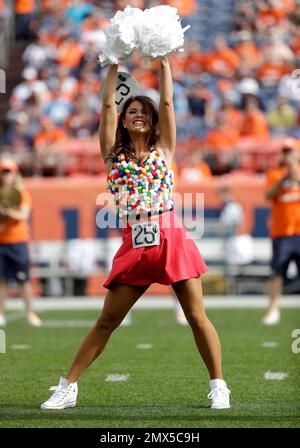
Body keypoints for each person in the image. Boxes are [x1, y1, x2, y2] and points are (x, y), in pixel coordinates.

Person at [41, 57, 231, 410]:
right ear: (124, 120)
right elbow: (106, 105)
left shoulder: (165, 149)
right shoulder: (112, 155)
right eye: (132, 111)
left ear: (153, 119)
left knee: (196, 315)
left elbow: (169, 102)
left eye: (144, 110)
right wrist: (112, 64)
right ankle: (68, 387)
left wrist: (164, 61)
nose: (138, 114)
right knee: (108, 319)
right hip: (136, 240)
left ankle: (219, 385)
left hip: (170, 234)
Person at [0, 157, 42, 327]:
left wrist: (6, 211)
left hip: (18, 241)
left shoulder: (21, 193)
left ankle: (30, 312)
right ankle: (1, 313)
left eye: (8, 172)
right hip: (1, 241)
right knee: (0, 280)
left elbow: (23, 215)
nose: (5, 175)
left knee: (23, 280)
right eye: (3, 172)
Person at [263, 139, 300, 325]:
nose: (287, 155)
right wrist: (284, 179)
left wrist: (296, 176)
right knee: (277, 272)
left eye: (290, 151)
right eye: (285, 151)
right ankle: (273, 309)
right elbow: (268, 196)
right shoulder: (274, 173)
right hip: (282, 232)